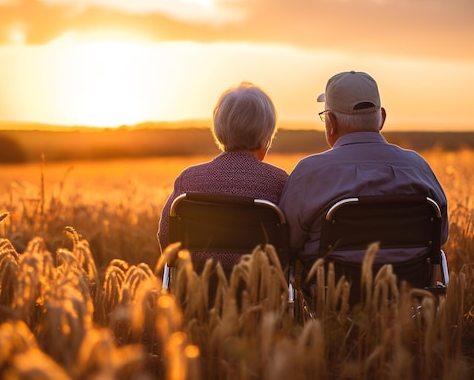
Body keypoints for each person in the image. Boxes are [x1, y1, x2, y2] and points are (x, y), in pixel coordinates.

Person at [279, 70, 448, 274]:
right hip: (410, 289)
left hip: (329, 294)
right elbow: (441, 234)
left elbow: (286, 243)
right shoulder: (417, 166)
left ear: (331, 123)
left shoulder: (309, 173)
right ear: (381, 118)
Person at [157, 82, 289, 261]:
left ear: (219, 130)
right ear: (267, 135)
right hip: (262, 286)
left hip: (198, 285)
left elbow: (167, 237)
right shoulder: (280, 182)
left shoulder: (188, 180)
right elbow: (292, 242)